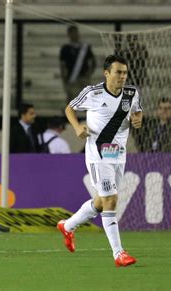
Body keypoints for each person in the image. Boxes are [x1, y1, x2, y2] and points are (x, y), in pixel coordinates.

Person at [58, 54, 143, 267]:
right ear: (107, 73)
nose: (122, 76)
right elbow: (69, 108)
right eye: (118, 72)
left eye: (125, 72)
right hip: (97, 154)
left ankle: (67, 226)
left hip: (118, 155)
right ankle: (118, 253)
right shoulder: (92, 93)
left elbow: (137, 111)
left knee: (100, 202)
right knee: (111, 200)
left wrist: (138, 118)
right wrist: (78, 127)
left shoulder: (132, 93)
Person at [60, 25, 96, 103]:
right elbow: (62, 65)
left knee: (87, 98)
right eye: (72, 33)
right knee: (71, 99)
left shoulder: (85, 47)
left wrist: (89, 73)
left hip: (84, 77)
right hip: (71, 77)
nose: (75, 35)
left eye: (76, 32)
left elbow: (93, 61)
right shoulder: (65, 48)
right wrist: (64, 78)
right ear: (68, 34)